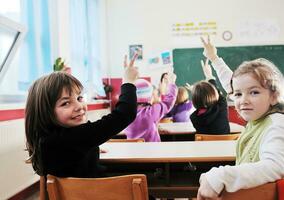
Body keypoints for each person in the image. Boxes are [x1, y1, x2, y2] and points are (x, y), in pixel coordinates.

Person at [197, 36, 284, 200]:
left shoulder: (276, 124)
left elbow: (276, 166)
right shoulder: (260, 118)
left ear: (274, 96)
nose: (243, 100)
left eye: (254, 92)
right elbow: (230, 82)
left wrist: (221, 175)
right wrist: (214, 58)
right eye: (237, 94)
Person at [25, 54, 139, 178]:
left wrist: (88, 148)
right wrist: (128, 81)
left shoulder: (47, 141)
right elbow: (125, 113)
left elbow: (72, 149)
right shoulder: (73, 138)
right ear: (44, 111)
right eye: (66, 103)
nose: (79, 106)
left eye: (79, 98)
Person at [124, 71, 178, 142]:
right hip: (152, 151)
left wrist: (154, 126)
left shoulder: (125, 113)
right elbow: (168, 102)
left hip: (132, 151)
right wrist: (172, 84)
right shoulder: (151, 112)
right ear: (149, 97)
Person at [190, 58, 230, 134]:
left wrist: (197, 93)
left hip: (205, 145)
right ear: (214, 94)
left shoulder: (194, 117)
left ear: (194, 100)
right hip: (225, 144)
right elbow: (217, 93)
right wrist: (209, 75)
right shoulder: (221, 106)